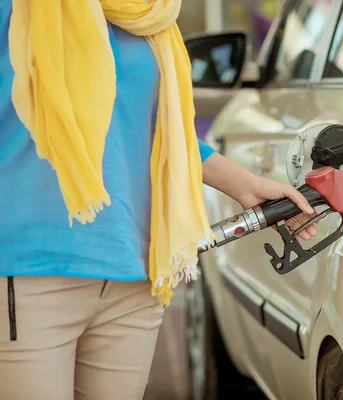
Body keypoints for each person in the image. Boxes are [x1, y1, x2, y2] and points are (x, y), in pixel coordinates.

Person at [0, 1, 316, 399]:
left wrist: (246, 185)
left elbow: (161, 127)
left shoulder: (147, 12)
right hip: (31, 273)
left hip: (134, 275)